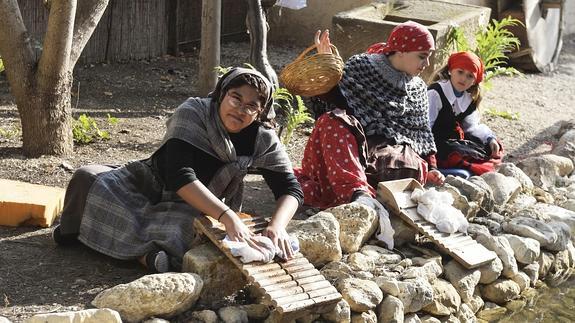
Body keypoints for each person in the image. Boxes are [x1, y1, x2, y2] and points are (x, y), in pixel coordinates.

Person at [52, 68, 303, 272]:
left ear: (259, 113)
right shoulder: (194, 113)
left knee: (186, 228)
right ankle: (80, 232)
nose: (240, 109)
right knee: (88, 178)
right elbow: (179, 176)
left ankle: (145, 256)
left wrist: (277, 226)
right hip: (148, 185)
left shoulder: (261, 137)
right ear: (221, 94)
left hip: (198, 203)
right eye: (236, 98)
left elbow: (289, 188)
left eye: (251, 106)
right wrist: (228, 216)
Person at [294, 21, 445, 211]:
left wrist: (432, 169)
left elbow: (422, 134)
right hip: (358, 151)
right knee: (331, 121)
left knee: (408, 164)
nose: (427, 64)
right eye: (422, 57)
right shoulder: (362, 66)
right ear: (401, 51)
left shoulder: (419, 88)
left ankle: (373, 196)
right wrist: (328, 69)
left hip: (396, 161)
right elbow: (337, 102)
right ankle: (358, 194)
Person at [428, 51, 503, 175]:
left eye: (470, 76)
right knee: (453, 153)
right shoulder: (436, 92)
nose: (463, 79)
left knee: (491, 146)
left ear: (474, 81)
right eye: (460, 72)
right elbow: (425, 126)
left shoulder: (467, 99)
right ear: (450, 71)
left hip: (450, 141)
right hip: (432, 142)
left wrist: (489, 139)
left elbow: (472, 127)